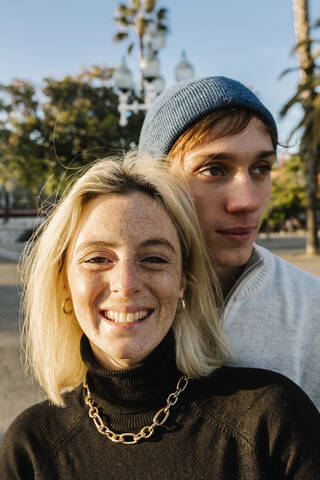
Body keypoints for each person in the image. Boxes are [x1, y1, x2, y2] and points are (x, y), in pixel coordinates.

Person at [1, 152, 320, 478]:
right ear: (64, 283)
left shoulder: (270, 422)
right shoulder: (30, 448)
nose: (125, 285)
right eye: (98, 259)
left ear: (183, 281)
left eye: (154, 259)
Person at [138, 75, 320, 410]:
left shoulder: (312, 309)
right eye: (215, 170)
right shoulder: (119, 304)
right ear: (155, 182)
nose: (247, 201)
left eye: (261, 168)